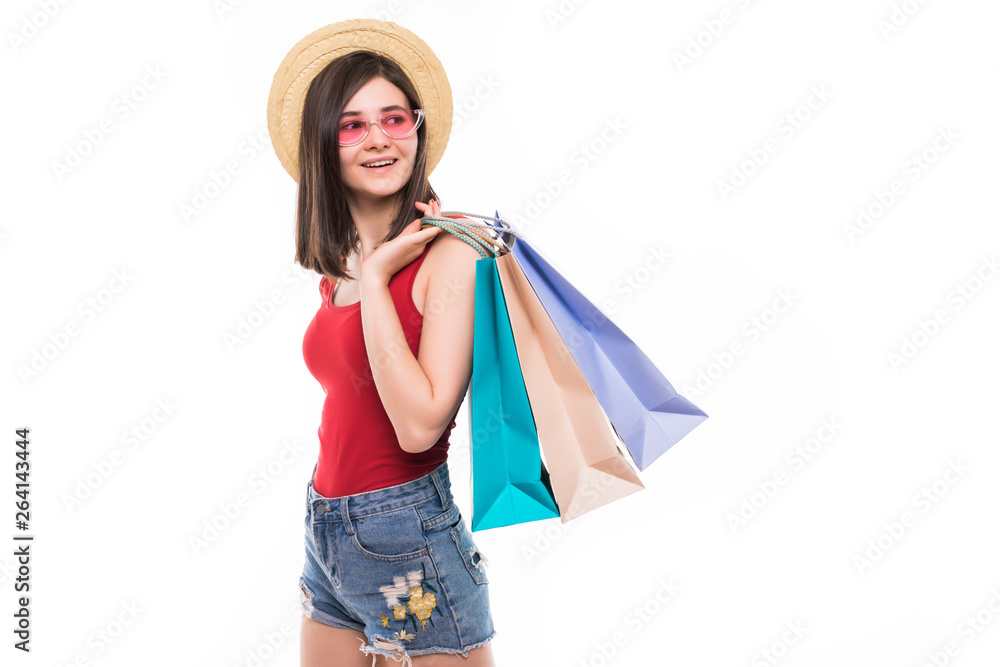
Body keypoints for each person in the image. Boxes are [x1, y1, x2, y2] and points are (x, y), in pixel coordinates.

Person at [266, 19, 497, 667]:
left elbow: (420, 425)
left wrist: (375, 281)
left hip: (409, 536)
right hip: (328, 529)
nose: (377, 139)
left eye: (394, 119)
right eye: (352, 124)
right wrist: (366, 269)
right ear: (324, 145)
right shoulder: (344, 258)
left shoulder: (449, 255)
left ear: (417, 132)